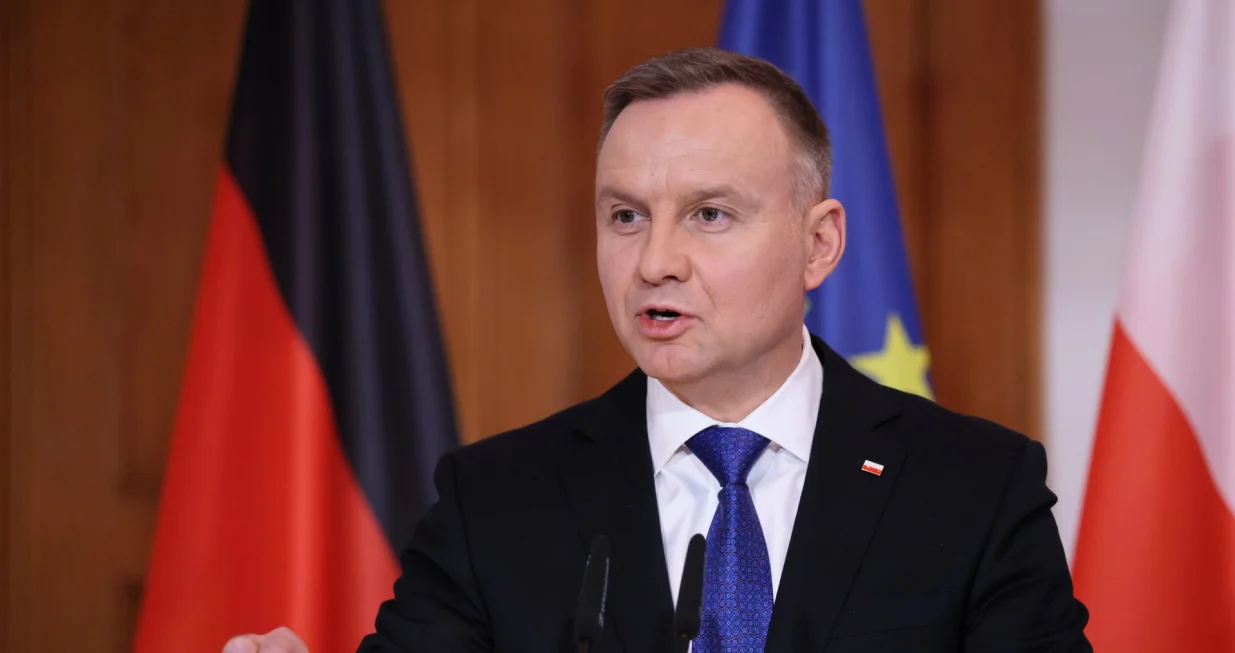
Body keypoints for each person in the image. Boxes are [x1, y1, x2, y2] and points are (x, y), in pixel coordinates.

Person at [224, 47, 1091, 653]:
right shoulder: (494, 501)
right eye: (624, 215)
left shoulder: (974, 489)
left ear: (818, 244)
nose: (654, 261)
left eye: (709, 215)